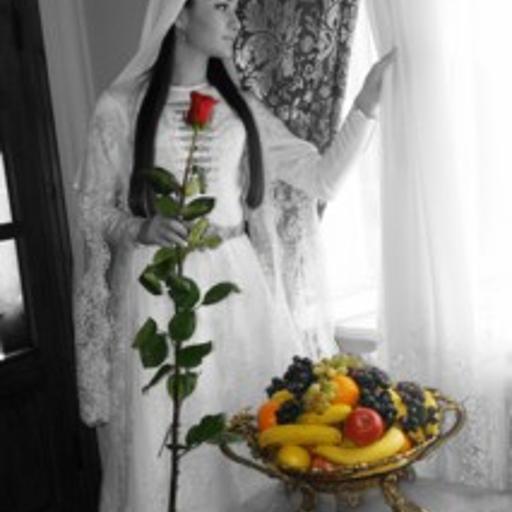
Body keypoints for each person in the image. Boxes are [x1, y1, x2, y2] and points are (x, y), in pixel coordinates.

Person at [73, 1, 394, 511]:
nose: (234, 18)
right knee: (173, 440)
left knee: (250, 431)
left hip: (236, 291)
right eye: (220, 6)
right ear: (179, 15)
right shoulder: (120, 106)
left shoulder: (241, 108)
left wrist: (366, 102)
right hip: (158, 295)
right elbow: (93, 209)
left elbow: (322, 178)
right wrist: (139, 227)